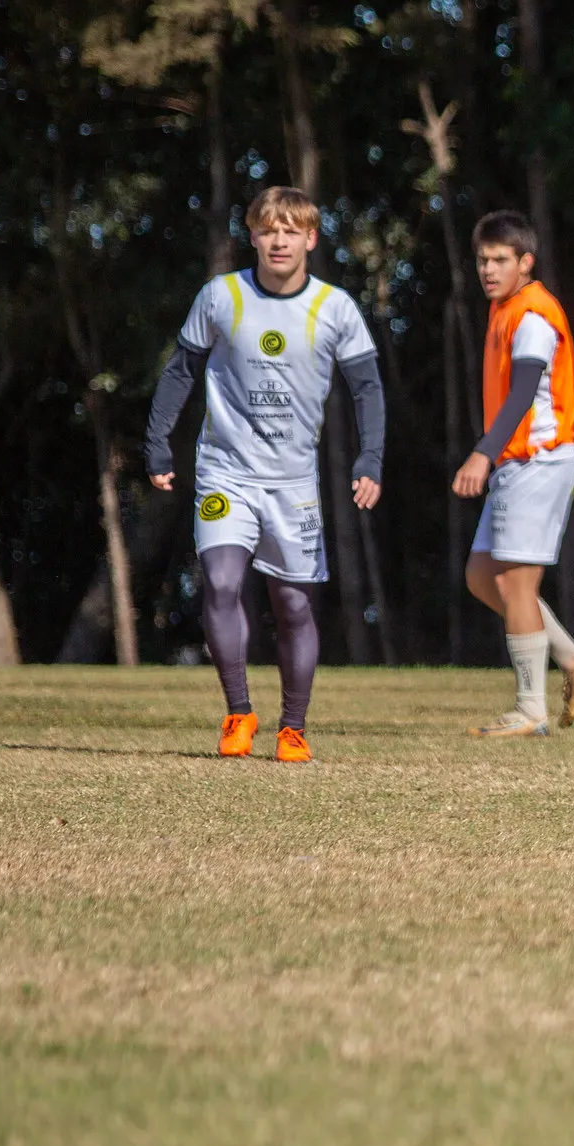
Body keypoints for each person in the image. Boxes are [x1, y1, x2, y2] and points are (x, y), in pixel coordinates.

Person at [144, 186, 385, 763]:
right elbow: (181, 371)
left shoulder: (335, 308)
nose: (279, 240)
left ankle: (293, 727)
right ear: (252, 235)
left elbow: (367, 388)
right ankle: (238, 713)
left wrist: (370, 457)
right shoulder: (219, 297)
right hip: (225, 473)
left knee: (294, 607)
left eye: (291, 230)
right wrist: (156, 443)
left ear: (310, 238)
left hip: (294, 484)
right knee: (223, 585)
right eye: (267, 229)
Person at [452, 212, 574, 737]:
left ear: (526, 262)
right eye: (482, 260)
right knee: (481, 575)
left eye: (500, 260)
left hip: (538, 460)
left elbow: (522, 394)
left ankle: (530, 710)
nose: (488, 270)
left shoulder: (534, 314)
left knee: (517, 583)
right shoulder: (505, 308)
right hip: (517, 463)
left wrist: (482, 453)